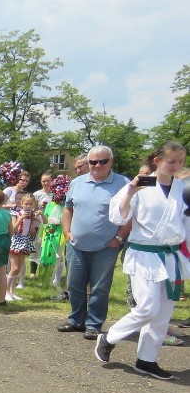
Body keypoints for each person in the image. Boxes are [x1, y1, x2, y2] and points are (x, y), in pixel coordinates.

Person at [95, 141, 188, 380]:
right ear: (157, 161)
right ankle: (109, 337)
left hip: (171, 256)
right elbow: (117, 215)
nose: (177, 166)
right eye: (171, 161)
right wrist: (131, 191)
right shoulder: (140, 186)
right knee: (147, 307)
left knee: (163, 312)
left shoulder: (182, 188)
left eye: (181, 161)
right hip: (144, 254)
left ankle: (147, 360)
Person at [59, 145, 130, 340]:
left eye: (102, 161)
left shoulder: (123, 183)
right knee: (74, 284)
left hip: (106, 247)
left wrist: (118, 238)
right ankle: (76, 320)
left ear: (111, 162)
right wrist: (67, 232)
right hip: (76, 245)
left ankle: (94, 324)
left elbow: (130, 215)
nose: (97, 165)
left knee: (99, 287)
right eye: (93, 161)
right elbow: (68, 209)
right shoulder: (77, 182)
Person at [6, 194, 41, 301]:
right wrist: (21, 218)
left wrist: (39, 216)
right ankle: (6, 292)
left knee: (18, 268)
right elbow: (13, 229)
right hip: (15, 240)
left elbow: (44, 223)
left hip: (25, 240)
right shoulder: (16, 214)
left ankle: (12, 292)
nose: (28, 206)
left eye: (31, 204)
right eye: (26, 204)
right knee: (14, 268)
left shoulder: (32, 216)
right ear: (21, 204)